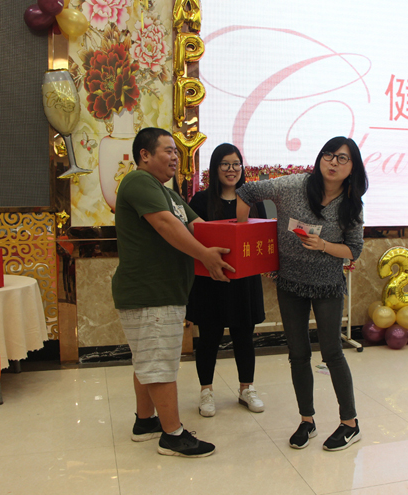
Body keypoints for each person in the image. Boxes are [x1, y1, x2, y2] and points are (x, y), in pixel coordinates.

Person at [236, 136, 368, 451]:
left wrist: (324, 245)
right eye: (328, 155)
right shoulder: (294, 185)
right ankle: (307, 421)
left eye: (342, 158)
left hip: (327, 285)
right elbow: (247, 192)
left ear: (352, 168)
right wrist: (244, 233)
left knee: (332, 353)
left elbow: (354, 249)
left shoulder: (351, 204)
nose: (333, 162)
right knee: (297, 354)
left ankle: (350, 424)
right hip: (290, 283)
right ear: (319, 158)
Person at [112, 127, 235, 458]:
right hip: (150, 292)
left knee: (148, 360)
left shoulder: (167, 193)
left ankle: (145, 422)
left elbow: (198, 226)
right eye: (167, 150)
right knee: (159, 364)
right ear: (145, 155)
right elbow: (167, 226)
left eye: (176, 152)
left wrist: (237, 247)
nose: (174, 157)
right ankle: (173, 435)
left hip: (165, 291)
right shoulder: (138, 181)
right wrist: (205, 255)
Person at [186, 143, 266, 417]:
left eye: (236, 164)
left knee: (244, 336)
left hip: (245, 281)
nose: (231, 170)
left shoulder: (252, 201)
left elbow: (261, 237)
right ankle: (206, 391)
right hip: (211, 280)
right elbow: (192, 239)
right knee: (209, 337)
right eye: (225, 164)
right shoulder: (200, 201)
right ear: (215, 167)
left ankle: (246, 389)